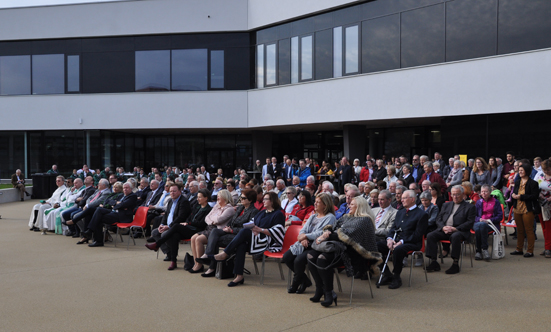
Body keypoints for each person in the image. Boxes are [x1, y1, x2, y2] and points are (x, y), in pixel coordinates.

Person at [309, 196, 381, 305]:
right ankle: (320, 289)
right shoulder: (347, 216)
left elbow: (348, 237)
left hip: (353, 253)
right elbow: (333, 226)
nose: (349, 206)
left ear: (360, 206)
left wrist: (326, 236)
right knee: (310, 256)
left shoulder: (365, 220)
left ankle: (329, 293)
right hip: (338, 248)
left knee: (322, 259)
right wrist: (327, 231)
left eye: (352, 204)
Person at [214, 192, 285, 287]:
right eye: (263, 199)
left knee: (244, 232)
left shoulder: (278, 214)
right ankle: (239, 276)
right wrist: (253, 229)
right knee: (241, 244)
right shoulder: (262, 212)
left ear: (272, 201)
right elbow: (251, 223)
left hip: (267, 241)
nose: (263, 201)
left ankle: (225, 253)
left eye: (266, 199)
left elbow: (278, 231)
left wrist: (260, 230)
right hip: (256, 238)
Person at [195, 189, 259, 277]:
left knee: (214, 240)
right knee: (214, 231)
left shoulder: (254, 211)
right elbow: (231, 221)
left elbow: (248, 229)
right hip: (229, 231)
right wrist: (227, 227)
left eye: (243, 198)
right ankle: (208, 255)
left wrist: (232, 230)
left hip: (238, 236)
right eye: (241, 197)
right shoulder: (240, 208)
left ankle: (212, 267)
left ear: (250, 200)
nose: (241, 200)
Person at [283, 193, 337, 294]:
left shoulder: (330, 217)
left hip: (316, 245)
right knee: (287, 257)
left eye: (318, 202)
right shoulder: (313, 216)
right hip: (304, 243)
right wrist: (303, 237)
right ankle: (305, 281)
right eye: (315, 202)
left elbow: (322, 232)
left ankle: (295, 283)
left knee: (298, 261)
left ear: (325, 205)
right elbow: (303, 229)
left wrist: (306, 236)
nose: (315, 204)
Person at [377, 190, 428, 289]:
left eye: (405, 198)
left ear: (412, 199)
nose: (402, 200)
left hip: (411, 242)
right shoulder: (400, 212)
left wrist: (401, 242)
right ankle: (387, 274)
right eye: (402, 198)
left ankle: (396, 277)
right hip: (396, 240)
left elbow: (417, 235)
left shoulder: (421, 214)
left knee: (398, 250)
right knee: (374, 246)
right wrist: (389, 239)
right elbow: (393, 228)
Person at [425, 185, 476, 274]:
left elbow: (470, 222)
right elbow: (439, 219)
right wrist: (443, 227)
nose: (455, 197)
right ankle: (433, 261)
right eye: (453, 195)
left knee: (455, 236)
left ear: (463, 195)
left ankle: (455, 263)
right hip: (445, 230)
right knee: (430, 235)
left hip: (459, 231)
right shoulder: (446, 204)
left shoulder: (470, 207)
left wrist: (455, 228)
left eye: (457, 194)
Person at [144, 184, 195, 269]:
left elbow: (181, 217)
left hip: (179, 228)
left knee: (166, 235)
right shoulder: (170, 201)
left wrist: (168, 227)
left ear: (180, 191)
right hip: (168, 226)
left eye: (174, 191)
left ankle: (160, 247)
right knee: (155, 232)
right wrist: (162, 224)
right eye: (171, 191)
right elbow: (166, 215)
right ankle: (169, 253)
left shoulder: (183, 201)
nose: (172, 193)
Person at [187, 190, 235, 273]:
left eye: (219, 196)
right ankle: (196, 263)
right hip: (210, 227)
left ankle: (200, 264)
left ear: (225, 197)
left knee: (199, 239)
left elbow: (219, 220)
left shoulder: (230, 209)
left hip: (218, 230)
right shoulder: (216, 206)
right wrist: (213, 221)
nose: (217, 198)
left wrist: (212, 220)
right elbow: (207, 218)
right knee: (193, 237)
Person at [80, 182, 137, 247]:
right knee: (98, 210)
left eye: (127, 188)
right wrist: (116, 203)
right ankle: (93, 235)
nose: (125, 189)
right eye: (124, 188)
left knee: (98, 218)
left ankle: (94, 237)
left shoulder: (133, 196)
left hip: (122, 217)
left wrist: (116, 205)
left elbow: (123, 204)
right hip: (114, 213)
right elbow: (109, 202)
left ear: (131, 189)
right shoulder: (121, 195)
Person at [510, 163, 541, 257]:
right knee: (519, 229)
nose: (519, 172)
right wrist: (513, 195)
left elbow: (535, 196)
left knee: (529, 230)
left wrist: (521, 197)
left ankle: (530, 251)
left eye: (522, 170)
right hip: (517, 207)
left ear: (527, 171)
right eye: (519, 170)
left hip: (528, 208)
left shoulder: (533, 183)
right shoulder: (518, 181)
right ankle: (519, 249)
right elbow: (514, 192)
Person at [473, 184, 503, 261]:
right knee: (480, 226)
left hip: (491, 224)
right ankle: (484, 250)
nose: (484, 193)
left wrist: (489, 220)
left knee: (480, 227)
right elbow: (473, 215)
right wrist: (479, 219)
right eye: (482, 192)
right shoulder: (478, 202)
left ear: (490, 192)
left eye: (486, 191)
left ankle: (479, 251)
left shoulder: (495, 202)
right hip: (478, 223)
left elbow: (500, 216)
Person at [537, 159, 551, 258]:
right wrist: (539, 194)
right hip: (542, 204)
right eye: (544, 169)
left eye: (548, 170)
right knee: (544, 227)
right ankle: (548, 246)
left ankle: (548, 248)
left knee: (549, 227)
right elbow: (535, 186)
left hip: (550, 205)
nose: (546, 171)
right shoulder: (540, 175)